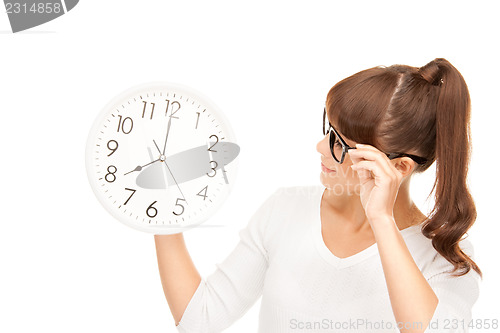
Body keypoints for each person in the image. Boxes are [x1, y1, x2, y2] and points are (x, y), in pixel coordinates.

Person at [154, 58, 482, 333]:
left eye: (341, 143)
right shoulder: (285, 209)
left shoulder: (444, 260)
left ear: (397, 167)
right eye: (329, 130)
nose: (321, 148)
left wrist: (381, 220)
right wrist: (161, 205)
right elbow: (201, 319)